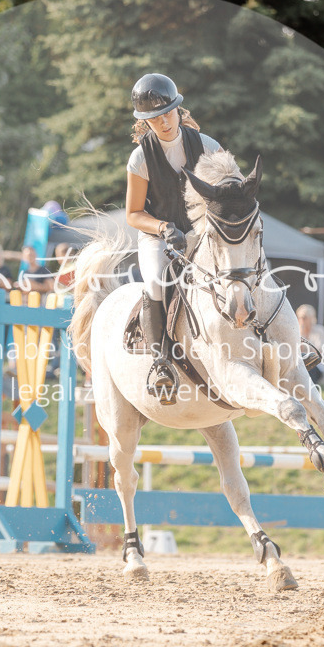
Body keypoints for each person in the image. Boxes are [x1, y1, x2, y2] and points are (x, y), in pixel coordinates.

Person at [124, 72, 222, 404]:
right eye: (155, 118)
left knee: (240, 266)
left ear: (179, 109)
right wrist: (164, 228)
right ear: (145, 122)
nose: (164, 122)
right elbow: (133, 214)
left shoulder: (207, 145)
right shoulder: (140, 157)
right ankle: (160, 363)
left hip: (200, 234)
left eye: (168, 113)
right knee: (154, 283)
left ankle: (277, 341)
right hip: (158, 238)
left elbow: (228, 191)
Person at [295, 304, 324, 383]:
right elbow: (297, 351)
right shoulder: (297, 331)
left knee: (310, 370)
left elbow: (318, 352)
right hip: (301, 363)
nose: (301, 320)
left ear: (311, 318)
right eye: (299, 317)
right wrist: (302, 333)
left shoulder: (320, 330)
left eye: (304, 317)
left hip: (316, 364)